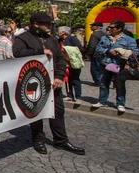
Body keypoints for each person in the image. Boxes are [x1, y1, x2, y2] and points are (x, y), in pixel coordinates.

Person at [13, 13, 85, 155]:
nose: (49, 26)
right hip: (33, 81)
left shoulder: (51, 39)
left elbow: (60, 59)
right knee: (36, 111)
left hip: (53, 82)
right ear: (35, 24)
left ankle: (61, 140)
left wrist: (59, 76)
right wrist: (40, 51)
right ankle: (38, 139)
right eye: (46, 24)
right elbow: (18, 53)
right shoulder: (23, 38)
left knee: (58, 111)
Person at [92, 20, 139, 112]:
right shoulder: (105, 38)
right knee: (103, 83)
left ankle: (120, 104)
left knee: (119, 84)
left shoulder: (128, 40)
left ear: (119, 28)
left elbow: (135, 52)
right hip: (106, 63)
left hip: (120, 65)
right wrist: (107, 51)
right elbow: (98, 49)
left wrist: (122, 52)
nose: (109, 29)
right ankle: (102, 101)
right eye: (109, 27)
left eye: (112, 27)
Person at [58, 26, 84, 102]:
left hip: (73, 62)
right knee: (67, 79)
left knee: (75, 79)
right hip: (64, 62)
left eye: (58, 31)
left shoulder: (72, 38)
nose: (57, 33)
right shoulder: (60, 40)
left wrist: (69, 50)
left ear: (63, 32)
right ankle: (69, 95)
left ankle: (78, 96)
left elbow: (79, 48)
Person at [86, 21, 106, 87]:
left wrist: (89, 54)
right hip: (103, 53)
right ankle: (102, 80)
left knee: (95, 68)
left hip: (96, 54)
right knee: (101, 68)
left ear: (96, 27)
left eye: (92, 26)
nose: (91, 27)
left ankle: (98, 81)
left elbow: (92, 45)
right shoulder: (104, 34)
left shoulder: (94, 34)